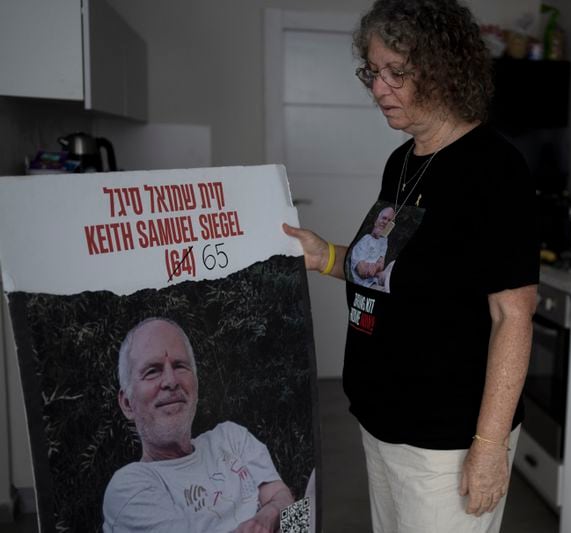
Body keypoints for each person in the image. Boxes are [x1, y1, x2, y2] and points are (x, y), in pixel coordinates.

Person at [283, 0, 540, 531]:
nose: (379, 90)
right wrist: (324, 254)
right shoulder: (403, 161)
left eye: (396, 73)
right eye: (373, 72)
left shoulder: (494, 168)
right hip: (383, 419)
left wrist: (489, 448)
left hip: (446, 437)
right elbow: (389, 267)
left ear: (444, 70)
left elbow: (512, 317)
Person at [102, 317, 294, 533]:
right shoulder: (128, 487)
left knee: (321, 486)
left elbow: (283, 497)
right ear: (127, 403)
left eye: (179, 366)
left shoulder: (232, 438)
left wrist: (268, 515)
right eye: (152, 371)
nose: (170, 381)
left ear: (196, 384)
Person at [349, 206, 395, 289]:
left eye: (389, 221)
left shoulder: (383, 241)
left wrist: (374, 267)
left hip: (377, 279)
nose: (385, 222)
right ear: (376, 221)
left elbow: (381, 265)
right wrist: (376, 267)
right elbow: (363, 271)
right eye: (384, 218)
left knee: (393, 265)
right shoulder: (365, 240)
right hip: (365, 285)